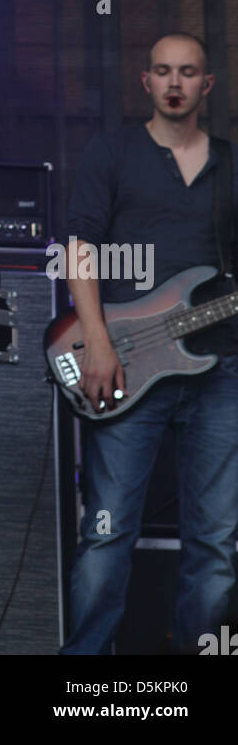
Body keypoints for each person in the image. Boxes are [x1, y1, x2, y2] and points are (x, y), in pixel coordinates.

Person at [60, 32, 238, 655]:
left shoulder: (230, 163)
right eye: (163, 71)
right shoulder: (112, 152)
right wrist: (100, 344)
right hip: (126, 363)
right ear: (146, 81)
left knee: (215, 545)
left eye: (188, 72)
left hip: (222, 370)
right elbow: (78, 248)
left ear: (206, 85)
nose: (174, 82)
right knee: (107, 534)